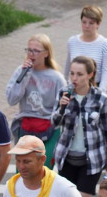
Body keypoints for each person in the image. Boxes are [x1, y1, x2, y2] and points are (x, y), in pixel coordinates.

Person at [51, 56, 107, 196]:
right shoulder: (63, 93)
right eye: (72, 73)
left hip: (92, 159)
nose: (74, 78)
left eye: (79, 74)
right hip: (67, 157)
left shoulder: (100, 98)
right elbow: (54, 123)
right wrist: (62, 108)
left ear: (90, 75)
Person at [6, 35, 68, 163]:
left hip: (48, 127)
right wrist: (24, 77)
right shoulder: (21, 71)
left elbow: (62, 109)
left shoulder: (57, 78)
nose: (31, 54)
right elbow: (11, 99)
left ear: (46, 53)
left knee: (43, 171)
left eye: (36, 51)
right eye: (29, 50)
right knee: (24, 170)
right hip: (26, 126)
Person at [66, 6, 107, 90]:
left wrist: (100, 92)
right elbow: (68, 67)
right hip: (75, 88)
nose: (87, 26)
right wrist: (67, 87)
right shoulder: (72, 41)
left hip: (95, 87)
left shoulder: (105, 44)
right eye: (84, 22)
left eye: (91, 23)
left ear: (98, 24)